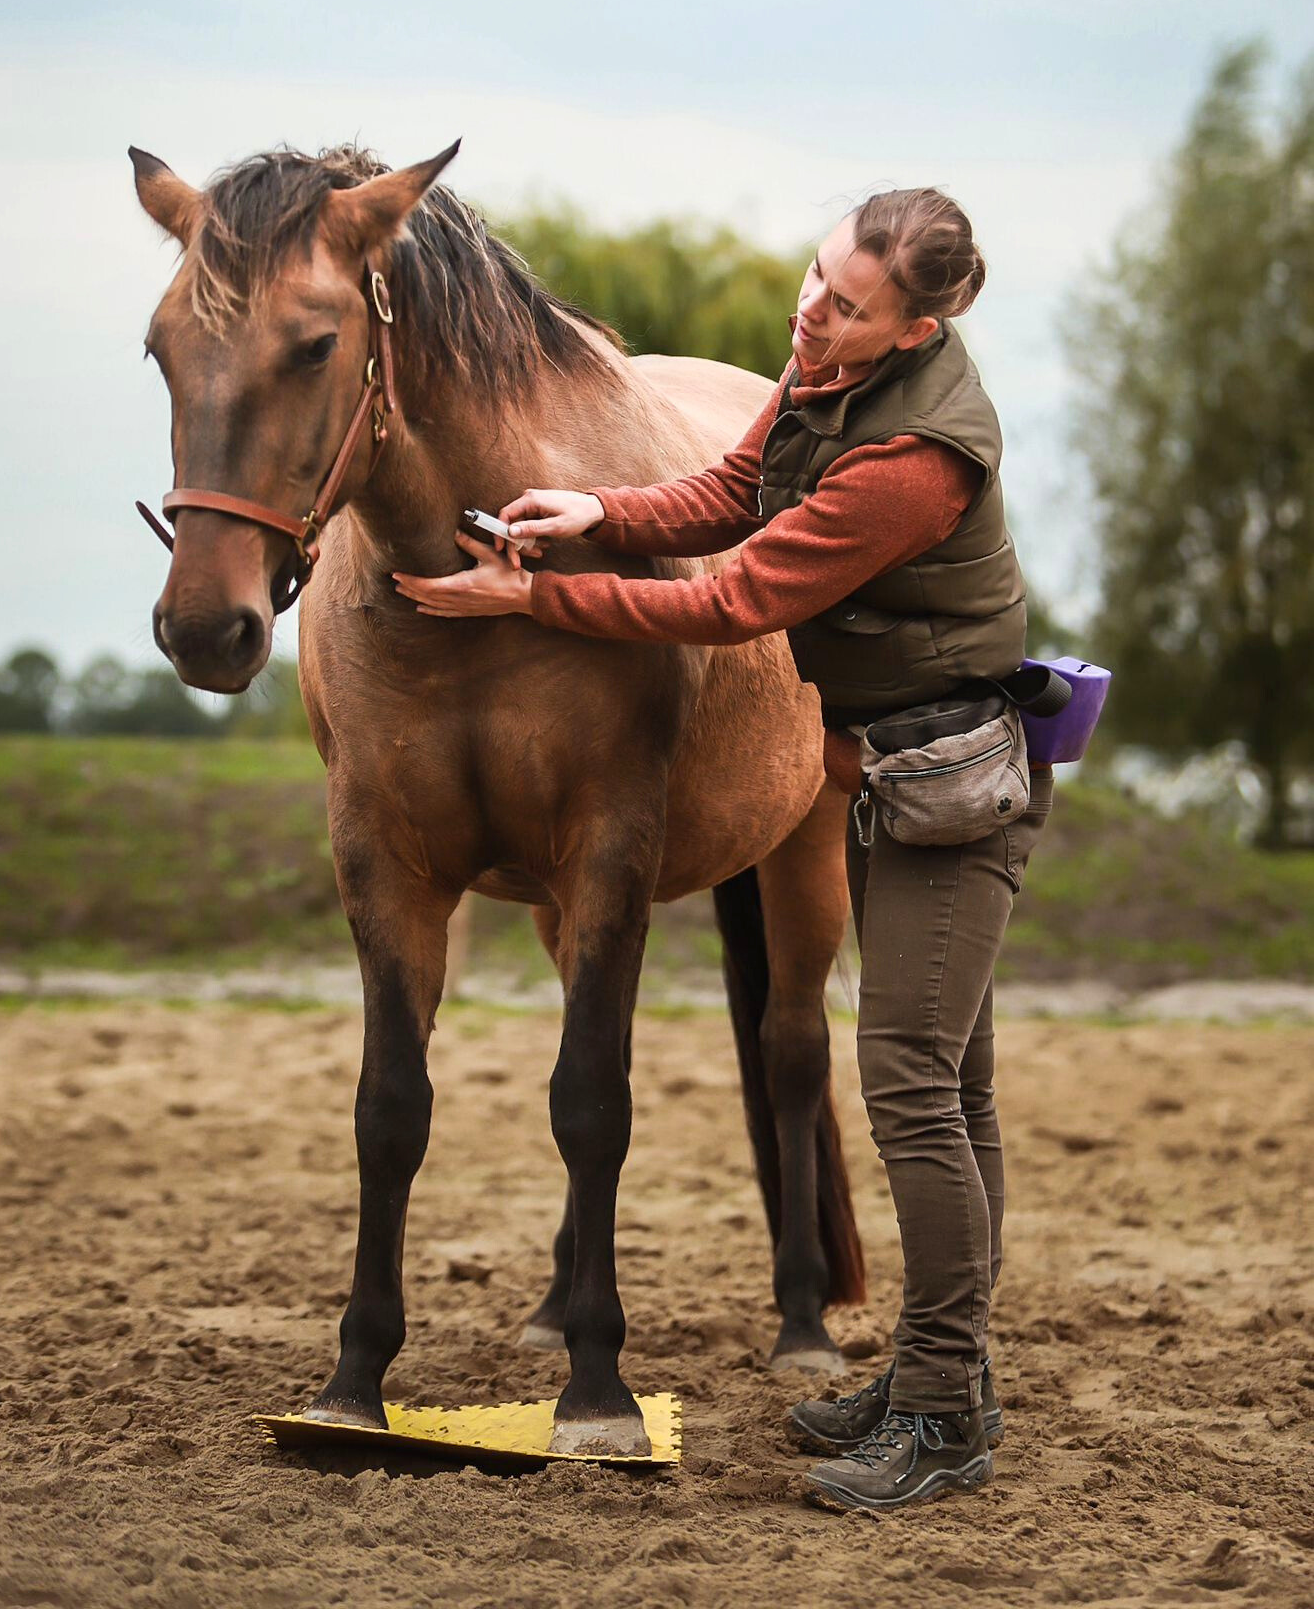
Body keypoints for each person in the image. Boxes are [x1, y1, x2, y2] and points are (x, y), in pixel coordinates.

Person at [392, 187, 1052, 1514]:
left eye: (846, 305)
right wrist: (594, 512)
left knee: (914, 1092)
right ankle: (942, 1378)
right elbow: (733, 491)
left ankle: (940, 1415)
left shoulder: (914, 461)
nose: (810, 312)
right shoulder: (830, 377)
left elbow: (740, 595)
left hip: (952, 788)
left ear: (918, 328)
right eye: (817, 277)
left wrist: (533, 594)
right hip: (890, 772)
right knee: (951, 1093)